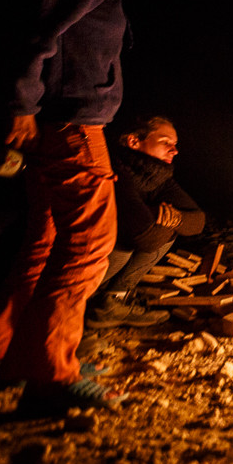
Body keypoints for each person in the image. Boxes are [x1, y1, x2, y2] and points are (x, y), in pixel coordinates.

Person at [0, 0, 130, 412]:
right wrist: (21, 102)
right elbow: (35, 38)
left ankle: (7, 348)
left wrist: (26, 106)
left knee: (43, 239)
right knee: (89, 244)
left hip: (54, 122)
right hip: (74, 126)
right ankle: (50, 373)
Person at [85, 115, 205, 327]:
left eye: (175, 145)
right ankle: (79, 310)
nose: (174, 150)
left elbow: (198, 221)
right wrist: (164, 219)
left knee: (172, 226)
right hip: (83, 260)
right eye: (165, 142)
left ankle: (113, 301)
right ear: (134, 141)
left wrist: (174, 218)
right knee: (127, 242)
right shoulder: (113, 167)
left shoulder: (159, 177)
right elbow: (139, 231)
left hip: (120, 246)